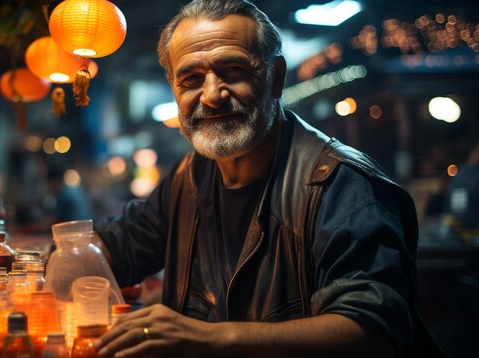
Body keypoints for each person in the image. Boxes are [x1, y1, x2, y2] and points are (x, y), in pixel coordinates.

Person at [92, 0, 442, 356]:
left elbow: (371, 330)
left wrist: (208, 338)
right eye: (191, 79)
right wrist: (58, 258)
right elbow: (115, 247)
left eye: (232, 70)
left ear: (275, 78)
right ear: (174, 88)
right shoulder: (191, 176)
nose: (212, 96)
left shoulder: (340, 185)